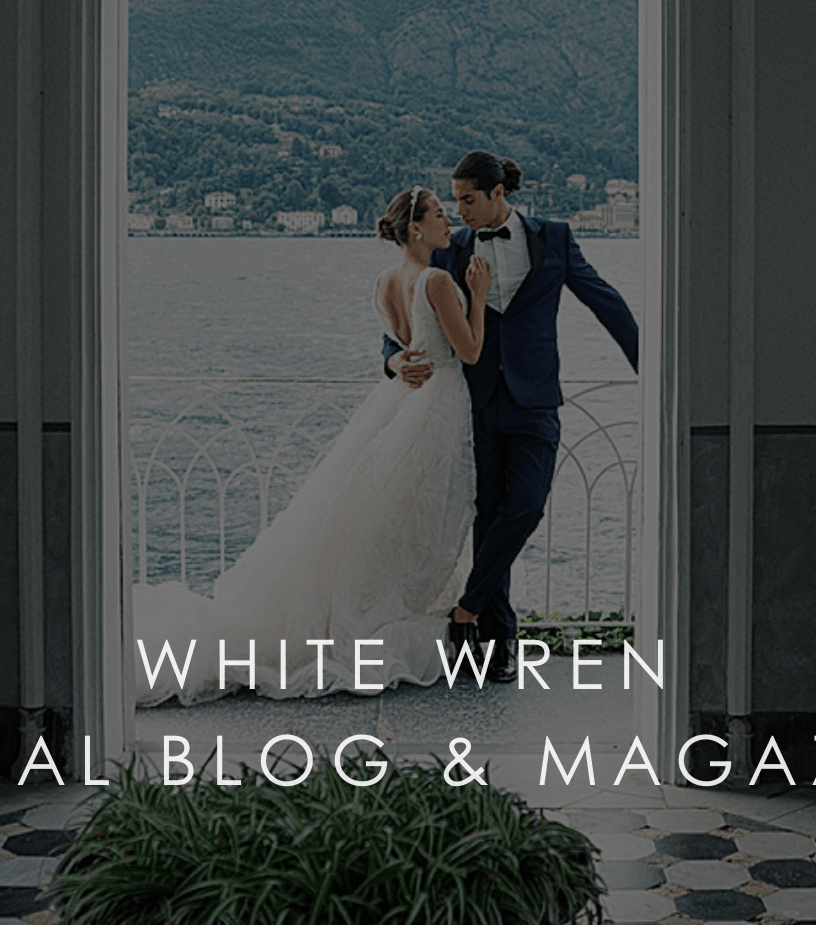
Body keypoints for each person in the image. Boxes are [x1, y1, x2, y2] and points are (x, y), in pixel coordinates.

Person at [131, 187, 491, 703]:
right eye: (438, 214)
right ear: (415, 228)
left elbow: (400, 347)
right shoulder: (436, 280)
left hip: (399, 404)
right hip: (435, 406)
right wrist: (477, 293)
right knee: (414, 517)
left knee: (377, 512)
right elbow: (471, 352)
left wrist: (394, 363)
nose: (447, 222)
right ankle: (382, 611)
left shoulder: (384, 282)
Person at [385, 151, 639, 684]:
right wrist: (390, 359)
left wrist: (653, 368)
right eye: (453, 202)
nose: (460, 212)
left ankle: (466, 610)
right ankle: (496, 645)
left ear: (499, 194)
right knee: (487, 516)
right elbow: (407, 315)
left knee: (524, 507)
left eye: (469, 200)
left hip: (536, 400)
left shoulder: (556, 238)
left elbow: (604, 301)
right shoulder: (446, 249)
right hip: (470, 402)